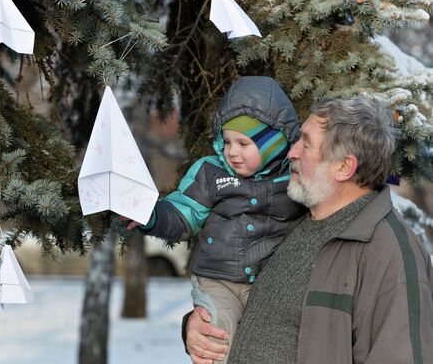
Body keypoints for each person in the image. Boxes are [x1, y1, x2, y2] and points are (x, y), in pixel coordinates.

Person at [184, 97, 433, 364]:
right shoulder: (290, 222)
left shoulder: (389, 254)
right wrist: (196, 328)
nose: (291, 152)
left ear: (344, 167)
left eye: (306, 144)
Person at [126, 76, 305, 363]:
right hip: (218, 280)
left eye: (244, 143)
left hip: (269, 285)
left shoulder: (295, 179)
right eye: (228, 141)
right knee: (218, 340)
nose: (232, 152)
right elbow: (185, 213)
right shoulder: (211, 173)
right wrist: (152, 215)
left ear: (274, 143)